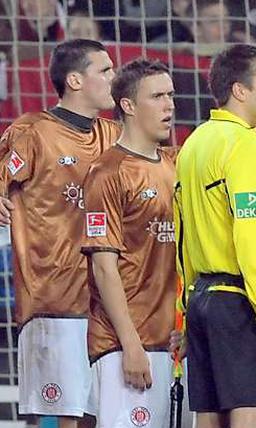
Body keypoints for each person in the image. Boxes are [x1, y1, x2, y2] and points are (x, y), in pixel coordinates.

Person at [0, 39, 119, 428]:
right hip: (54, 299)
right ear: (75, 80)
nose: (113, 78)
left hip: (110, 301)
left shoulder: (115, 136)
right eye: (104, 70)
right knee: (61, 418)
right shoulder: (31, 132)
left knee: (105, 416)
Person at [173, 44, 256, 428]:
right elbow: (251, 238)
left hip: (203, 300)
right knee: (250, 416)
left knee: (209, 419)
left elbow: (183, 238)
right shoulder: (246, 146)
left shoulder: (194, 144)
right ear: (240, 90)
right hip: (242, 303)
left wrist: (187, 312)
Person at [81, 59, 178, 428]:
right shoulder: (107, 173)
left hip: (173, 341)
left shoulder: (174, 163)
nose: (169, 105)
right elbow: (104, 268)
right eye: (157, 96)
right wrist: (131, 345)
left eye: (170, 95)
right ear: (128, 105)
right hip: (126, 344)